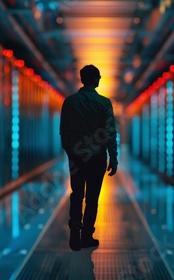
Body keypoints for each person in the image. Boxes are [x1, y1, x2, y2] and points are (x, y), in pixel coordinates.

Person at [60, 64, 118, 251]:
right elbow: (109, 132)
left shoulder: (69, 102)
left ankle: (74, 232)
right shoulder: (103, 103)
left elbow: (63, 132)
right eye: (99, 77)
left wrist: (70, 152)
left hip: (76, 158)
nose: (100, 79)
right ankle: (87, 236)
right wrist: (113, 157)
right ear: (94, 79)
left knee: (77, 194)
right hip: (96, 158)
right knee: (92, 198)